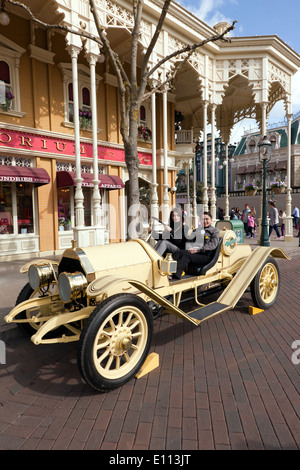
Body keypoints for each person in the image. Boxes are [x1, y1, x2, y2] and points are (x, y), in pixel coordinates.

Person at [172, 212, 220, 279]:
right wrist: (190, 247)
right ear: (200, 220)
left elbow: (212, 245)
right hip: (195, 253)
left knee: (186, 256)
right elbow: (189, 239)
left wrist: (198, 249)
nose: (205, 221)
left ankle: (175, 276)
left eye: (207, 219)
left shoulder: (215, 231)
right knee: (179, 253)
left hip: (205, 255)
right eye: (203, 219)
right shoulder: (197, 230)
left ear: (211, 220)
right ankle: (168, 271)